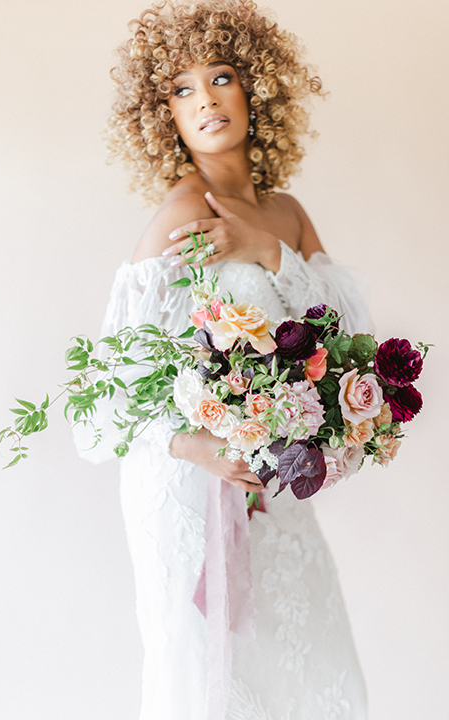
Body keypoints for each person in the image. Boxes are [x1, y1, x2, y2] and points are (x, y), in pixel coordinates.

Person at [75, 1, 370, 717]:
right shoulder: (181, 214)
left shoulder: (287, 214)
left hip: (272, 482)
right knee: (214, 675)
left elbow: (352, 337)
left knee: (304, 660)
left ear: (256, 88)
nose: (204, 98)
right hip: (190, 487)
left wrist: (266, 251)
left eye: (221, 76)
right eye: (180, 89)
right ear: (161, 116)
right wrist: (194, 443)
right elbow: (102, 398)